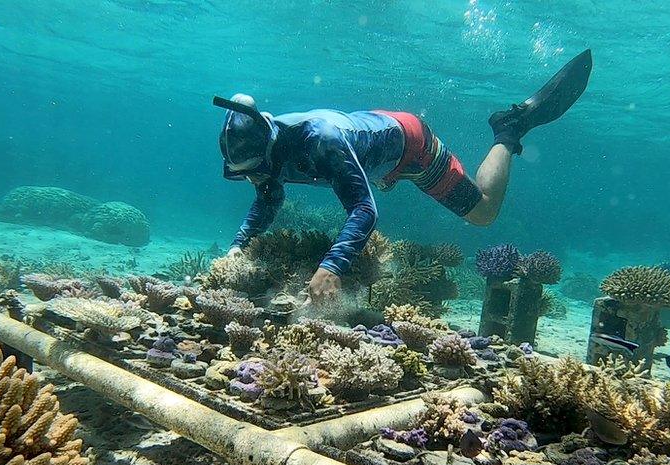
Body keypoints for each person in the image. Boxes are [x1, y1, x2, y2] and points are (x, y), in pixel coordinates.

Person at [215, 49, 592, 303]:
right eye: (243, 174)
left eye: (255, 171)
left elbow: (364, 211)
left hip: (411, 147)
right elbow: (269, 195)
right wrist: (238, 246)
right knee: (367, 172)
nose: (255, 179)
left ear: (270, 149)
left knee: (483, 213)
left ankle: (509, 129)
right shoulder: (269, 143)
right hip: (372, 140)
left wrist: (331, 267)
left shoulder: (320, 142)